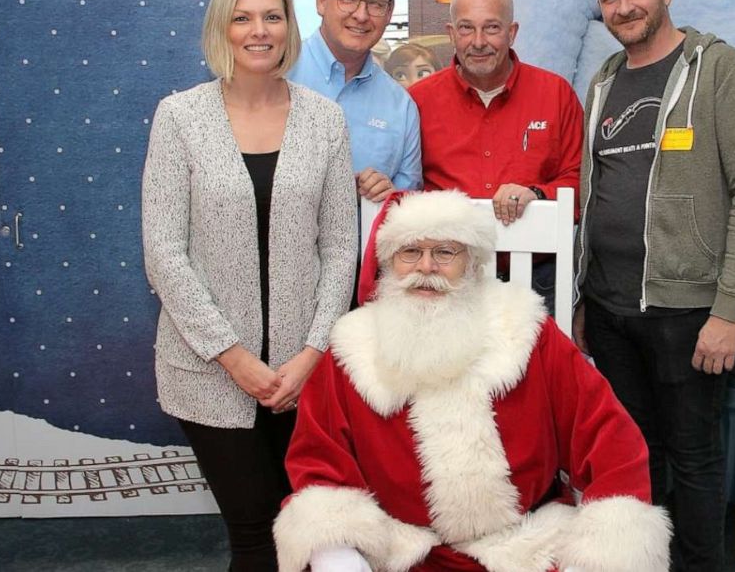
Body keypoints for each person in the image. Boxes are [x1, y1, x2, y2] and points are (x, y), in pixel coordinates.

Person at [273, 189, 672, 572]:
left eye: (445, 252)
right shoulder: (352, 349)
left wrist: (602, 548)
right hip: (400, 551)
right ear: (388, 263)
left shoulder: (525, 331)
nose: (426, 268)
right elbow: (319, 460)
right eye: (409, 252)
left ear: (473, 263)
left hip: (525, 546)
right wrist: (338, 552)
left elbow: (607, 435)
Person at [141, 0, 357, 571]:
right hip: (208, 372)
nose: (258, 30)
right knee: (256, 535)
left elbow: (341, 245)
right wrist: (235, 359)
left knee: (308, 530)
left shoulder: (324, 119)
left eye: (271, 16)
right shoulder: (180, 117)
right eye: (242, 17)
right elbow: (164, 253)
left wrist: (312, 352)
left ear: (290, 27)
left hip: (302, 373)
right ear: (222, 28)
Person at [573, 0, 735, 571]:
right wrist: (584, 298)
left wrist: (729, 312)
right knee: (637, 451)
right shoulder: (606, 77)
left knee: (694, 458)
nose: (623, 6)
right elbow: (594, 187)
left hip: (688, 312)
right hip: (610, 308)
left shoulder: (719, 69)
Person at [409, 0, 582, 311]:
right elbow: (405, 187)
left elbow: (580, 179)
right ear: (450, 33)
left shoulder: (556, 94)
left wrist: (538, 193)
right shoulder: (417, 101)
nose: (478, 42)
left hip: (539, 279)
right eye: (466, 28)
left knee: (539, 366)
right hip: (447, 281)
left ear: (512, 32)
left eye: (491, 28)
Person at [289, 0, 421, 203]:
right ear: (321, 0)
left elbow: (408, 207)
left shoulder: (401, 108)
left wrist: (390, 197)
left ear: (389, 11)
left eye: (375, 4)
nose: (361, 15)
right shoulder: (277, 74)